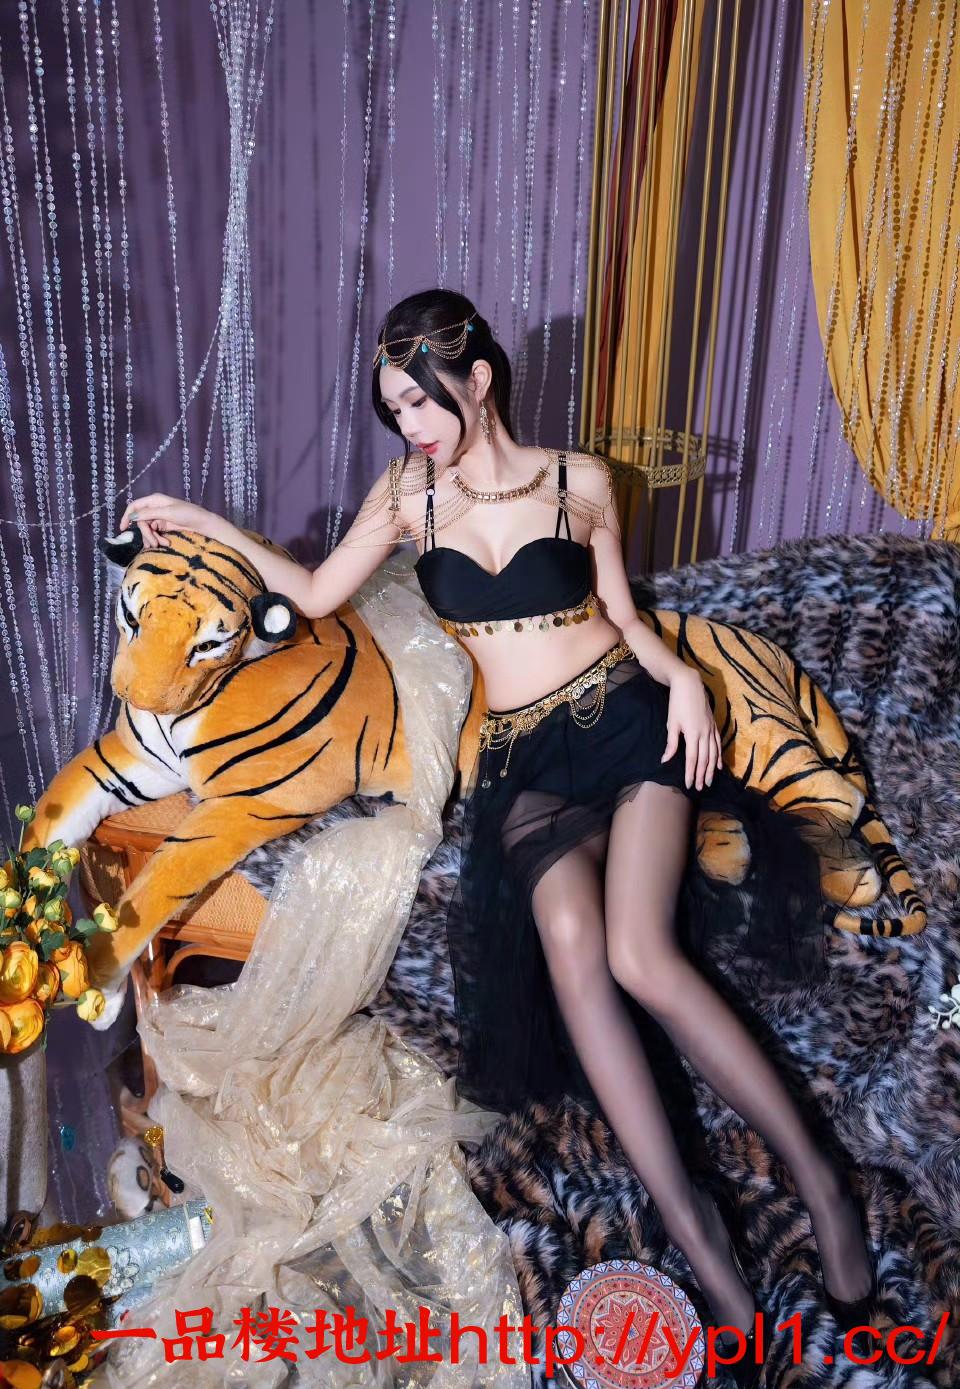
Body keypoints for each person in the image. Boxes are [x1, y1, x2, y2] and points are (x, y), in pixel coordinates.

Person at [118, 287, 878, 1383]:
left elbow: (625, 618)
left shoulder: (579, 482)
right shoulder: (407, 497)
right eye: (394, 410)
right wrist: (207, 526)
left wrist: (686, 685)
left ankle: (822, 1184)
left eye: (422, 401)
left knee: (639, 954)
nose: (411, 425)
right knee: (571, 956)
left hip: (628, 726)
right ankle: (699, 1230)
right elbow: (317, 592)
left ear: (477, 380)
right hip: (525, 761)